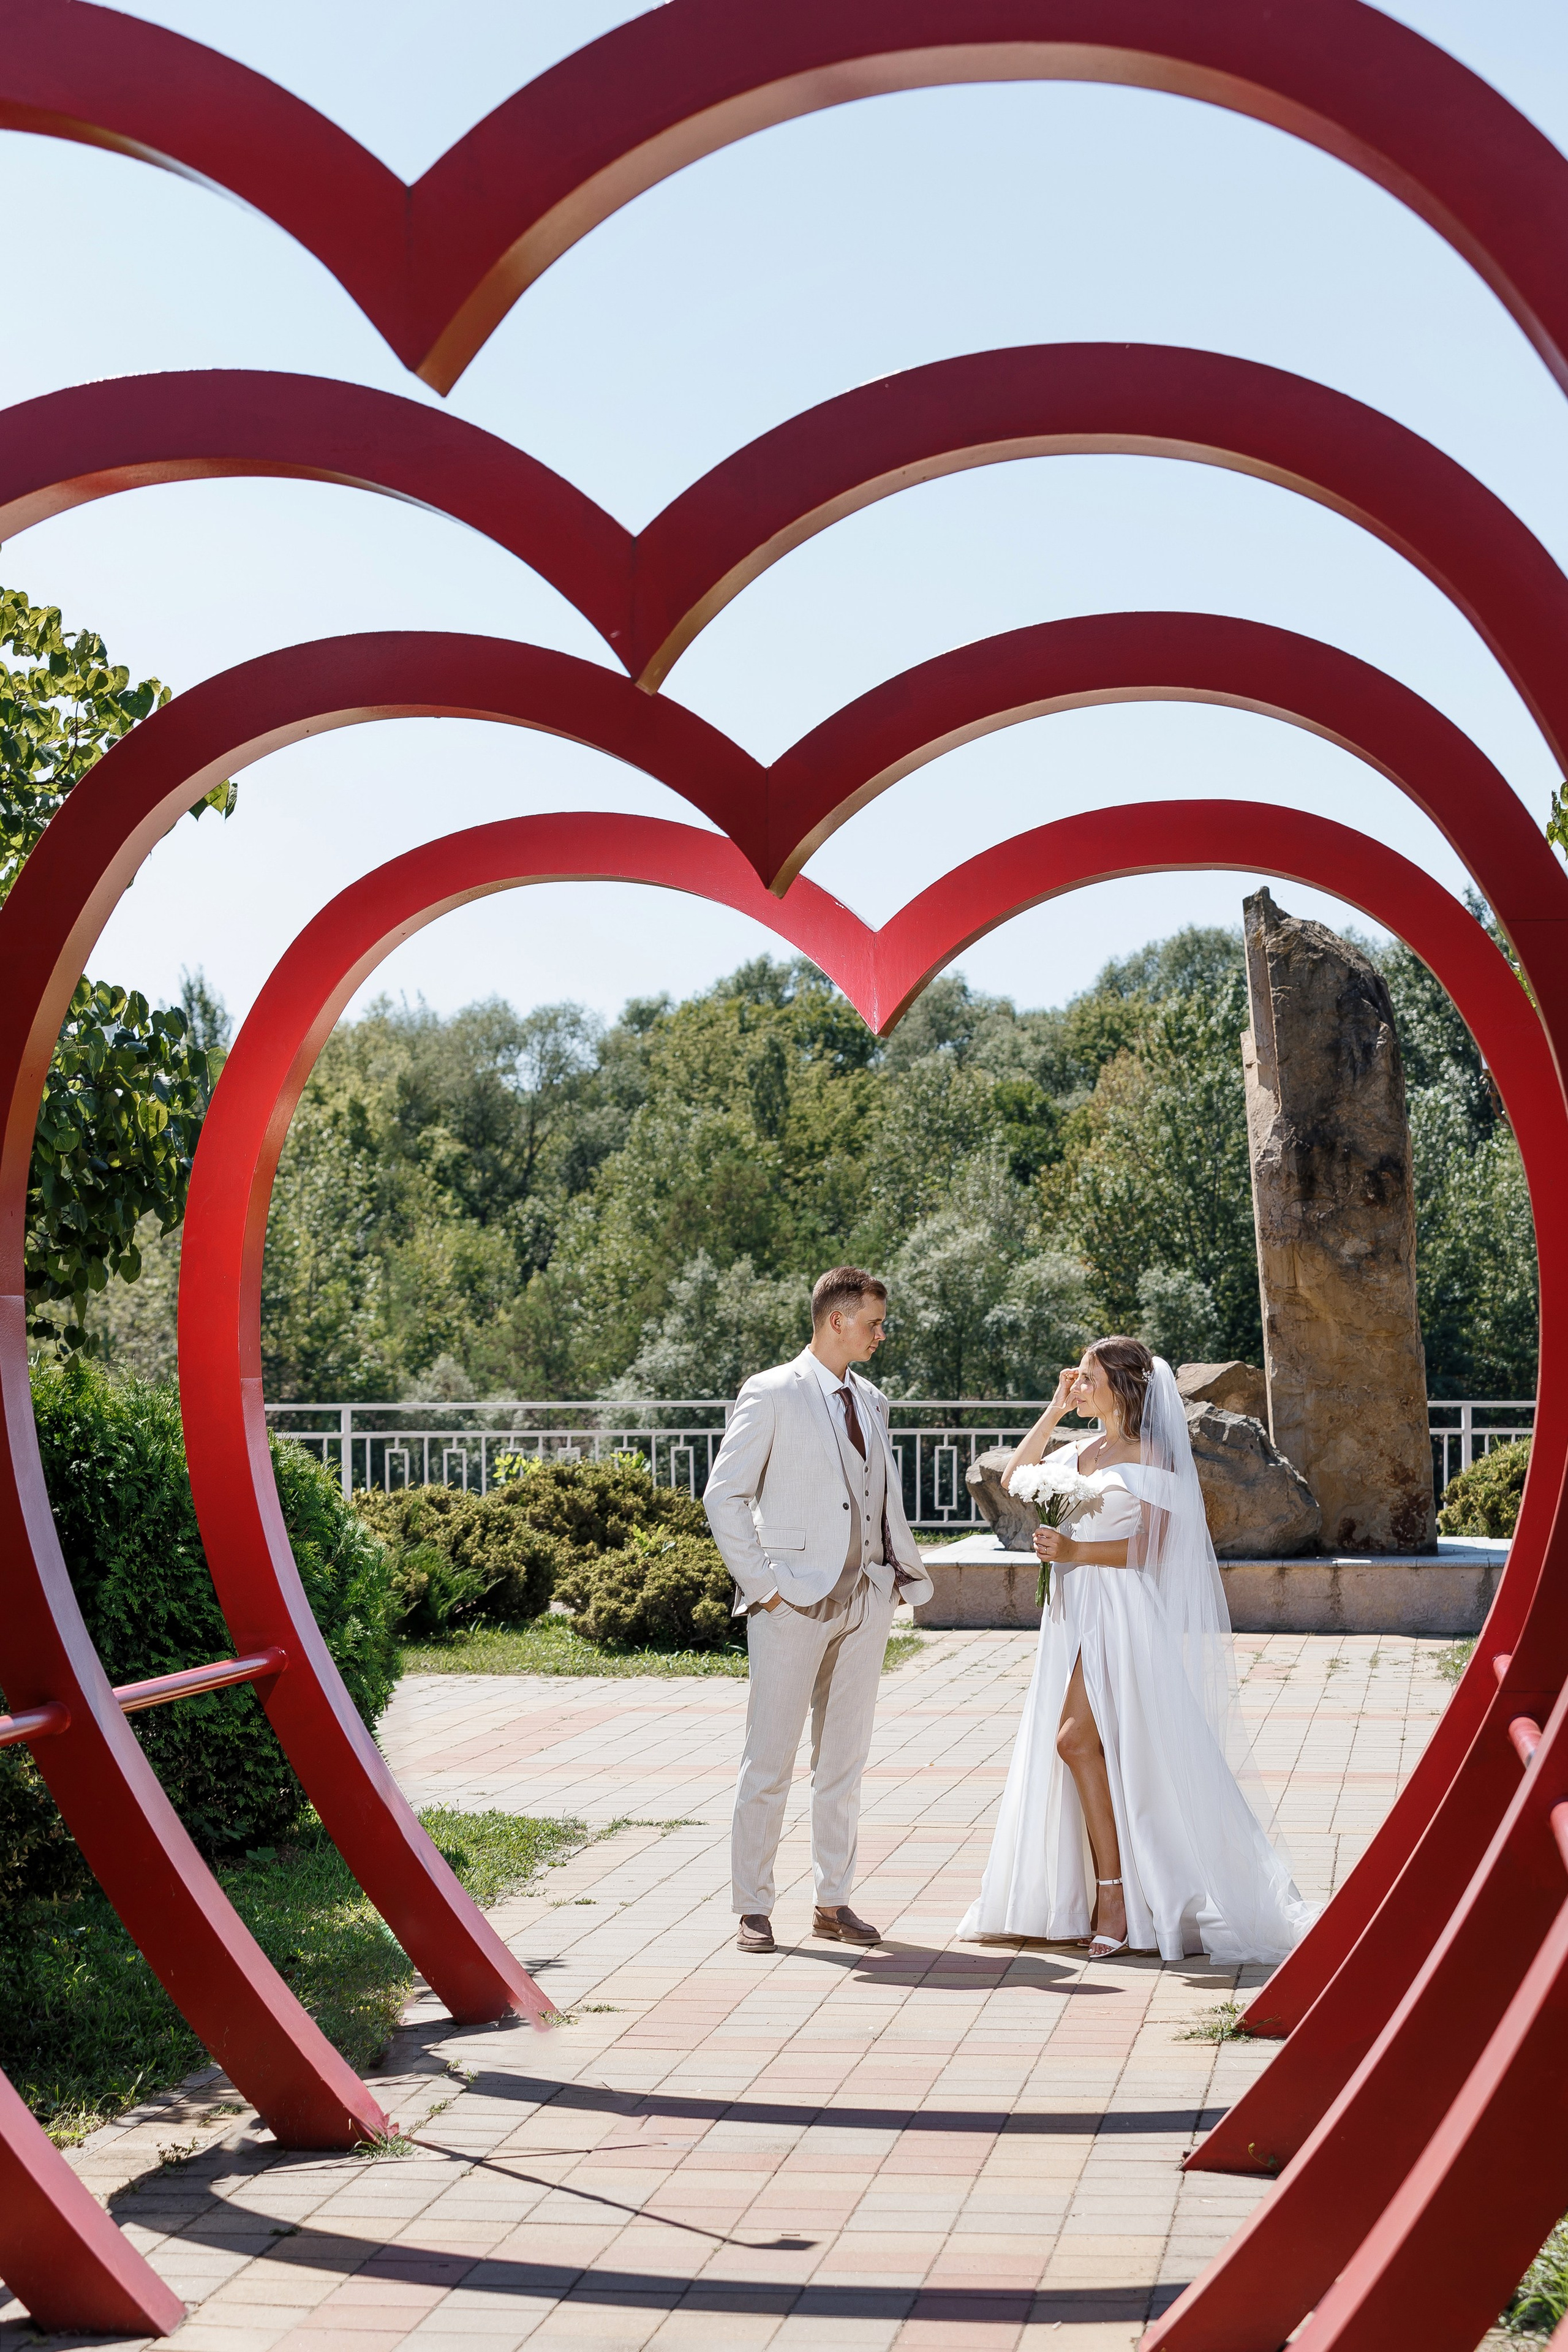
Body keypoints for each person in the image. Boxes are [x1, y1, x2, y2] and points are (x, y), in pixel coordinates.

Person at [958, 1336, 1314, 1962]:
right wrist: (1053, 1408)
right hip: (1073, 1612)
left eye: (1090, 1377)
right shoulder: (1084, 1448)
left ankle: (1118, 1900)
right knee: (1107, 1749)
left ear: (1123, 1386)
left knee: (1083, 1742)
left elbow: (1158, 1546)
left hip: (1122, 1614)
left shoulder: (1152, 1454)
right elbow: (1015, 1478)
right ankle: (1109, 1896)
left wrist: (1075, 1553)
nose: (1081, 1384)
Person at [704, 1265, 934, 1954]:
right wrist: (764, 1587)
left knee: (843, 1762)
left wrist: (891, 1581)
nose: (880, 1335)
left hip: (866, 1599)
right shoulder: (771, 1392)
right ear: (837, 1320)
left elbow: (876, 1495)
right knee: (768, 1761)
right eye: (873, 1323)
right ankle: (752, 1905)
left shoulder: (873, 1399)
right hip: (790, 1603)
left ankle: (832, 1902)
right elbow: (725, 1496)